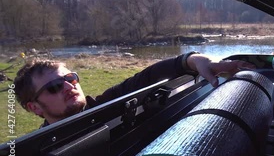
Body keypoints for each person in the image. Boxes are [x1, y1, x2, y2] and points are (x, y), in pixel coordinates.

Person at [14, 52, 255, 127]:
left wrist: (194, 61)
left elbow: (148, 76)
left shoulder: (108, 102)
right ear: (34, 107)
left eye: (71, 78)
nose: (69, 86)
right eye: (55, 86)